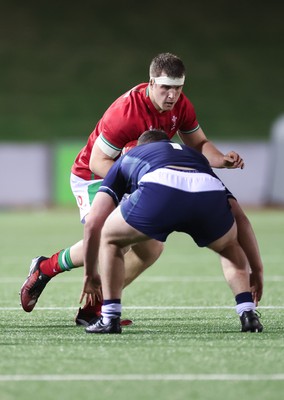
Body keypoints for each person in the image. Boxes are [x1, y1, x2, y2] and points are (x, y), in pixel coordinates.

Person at [20, 52, 264, 327]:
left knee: (151, 250)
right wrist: (141, 180)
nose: (172, 95)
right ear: (151, 82)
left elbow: (198, 143)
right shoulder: (126, 113)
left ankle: (97, 309)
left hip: (141, 175)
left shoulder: (181, 106)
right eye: (166, 88)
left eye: (178, 88)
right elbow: (97, 161)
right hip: (95, 176)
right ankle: (45, 268)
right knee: (111, 240)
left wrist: (222, 160)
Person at [80, 129, 263, 334]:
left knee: (111, 238)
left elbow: (93, 221)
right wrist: (257, 270)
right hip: (206, 190)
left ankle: (110, 317)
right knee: (229, 247)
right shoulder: (194, 157)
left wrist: (90, 274)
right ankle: (248, 315)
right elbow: (242, 220)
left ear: (141, 146)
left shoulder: (130, 156)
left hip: (160, 189)